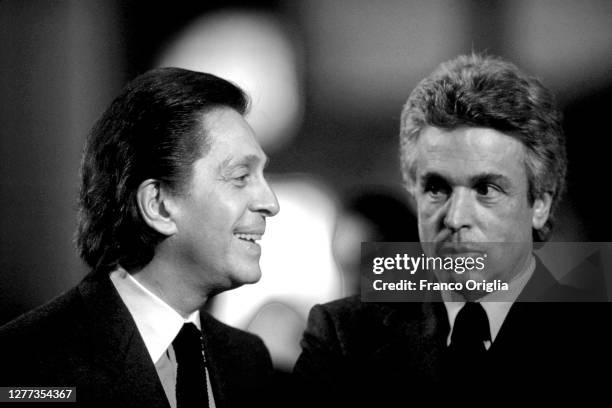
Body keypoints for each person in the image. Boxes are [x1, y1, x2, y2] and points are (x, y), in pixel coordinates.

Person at [293, 54, 610, 405]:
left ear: (540, 205)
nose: (455, 217)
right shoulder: (344, 337)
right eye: (436, 188)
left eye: (486, 190)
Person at [0, 68, 280, 407]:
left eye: (262, 175)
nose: (270, 203)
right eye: (240, 177)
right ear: (159, 205)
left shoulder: (248, 362)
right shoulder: (26, 364)